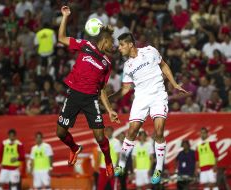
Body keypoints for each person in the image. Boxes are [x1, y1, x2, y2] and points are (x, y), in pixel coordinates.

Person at [109, 33, 187, 184]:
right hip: (141, 98)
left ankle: (158, 167)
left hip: (158, 95)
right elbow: (125, 90)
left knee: (158, 132)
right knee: (131, 131)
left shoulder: (150, 51)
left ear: (130, 44)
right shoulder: (127, 66)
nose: (119, 48)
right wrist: (107, 99)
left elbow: (163, 65)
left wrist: (175, 83)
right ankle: (122, 165)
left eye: (121, 45)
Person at [56, 6, 120, 177]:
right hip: (74, 95)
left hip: (91, 99)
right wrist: (65, 17)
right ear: (105, 40)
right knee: (60, 133)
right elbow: (61, 38)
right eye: (111, 42)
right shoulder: (86, 45)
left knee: (100, 138)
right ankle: (74, 148)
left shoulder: (107, 63)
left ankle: (108, 160)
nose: (112, 46)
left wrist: (110, 110)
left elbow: (102, 90)